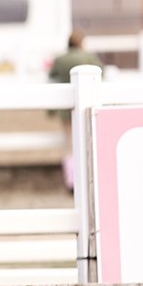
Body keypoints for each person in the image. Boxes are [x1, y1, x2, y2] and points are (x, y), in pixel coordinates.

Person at [49, 30, 102, 190]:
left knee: (70, 143)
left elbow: (52, 74)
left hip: (66, 108)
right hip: (86, 105)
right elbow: (101, 70)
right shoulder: (88, 57)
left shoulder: (60, 59)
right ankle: (84, 177)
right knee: (86, 139)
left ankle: (71, 179)